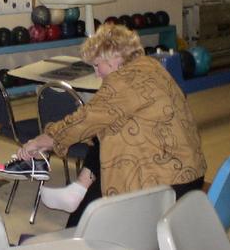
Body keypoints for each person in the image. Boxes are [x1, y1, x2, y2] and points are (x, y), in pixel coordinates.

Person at [15, 23, 207, 225]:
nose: (97, 73)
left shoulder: (122, 82)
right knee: (109, 133)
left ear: (115, 57)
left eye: (98, 65)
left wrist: (38, 142)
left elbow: (81, 121)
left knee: (92, 209)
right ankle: (79, 191)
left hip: (166, 183)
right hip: (190, 173)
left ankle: (77, 225)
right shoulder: (151, 66)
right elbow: (101, 120)